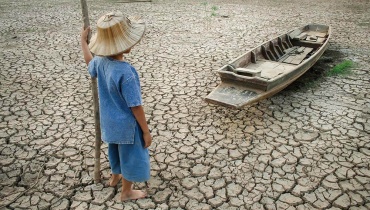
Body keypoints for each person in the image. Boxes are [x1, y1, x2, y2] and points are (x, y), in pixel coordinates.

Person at [80, 11, 151, 201]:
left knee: (114, 150)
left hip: (109, 122)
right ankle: (126, 191)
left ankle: (114, 177)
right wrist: (145, 130)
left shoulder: (101, 62)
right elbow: (136, 106)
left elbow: (89, 63)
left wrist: (83, 43)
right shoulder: (126, 72)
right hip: (127, 126)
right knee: (129, 156)